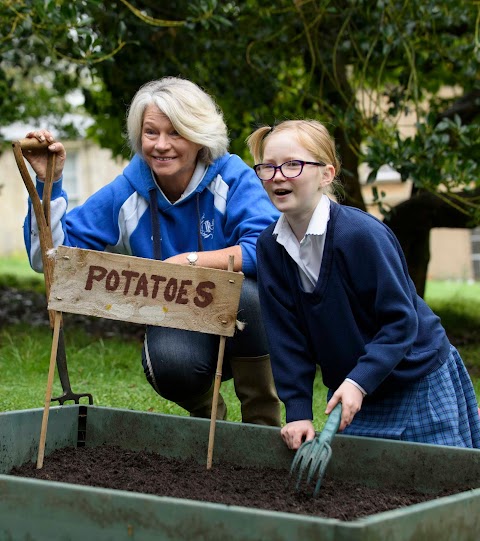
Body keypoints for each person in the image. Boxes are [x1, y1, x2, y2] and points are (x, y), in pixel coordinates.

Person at [23, 76, 282, 426]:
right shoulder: (128, 192)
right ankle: (211, 420)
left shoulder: (232, 177)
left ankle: (263, 422)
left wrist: (185, 264)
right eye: (151, 132)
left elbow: (267, 251)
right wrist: (48, 182)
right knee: (170, 363)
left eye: (175, 132)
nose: (161, 145)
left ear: (199, 135)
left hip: (246, 325)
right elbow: (50, 261)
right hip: (178, 319)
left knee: (248, 295)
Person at [246, 119, 480, 449]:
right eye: (267, 167)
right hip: (352, 387)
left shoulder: (360, 236)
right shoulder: (269, 248)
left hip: (415, 378)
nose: (278, 176)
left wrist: (359, 381)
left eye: (293, 165)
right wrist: (298, 412)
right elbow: (288, 340)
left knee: (439, 484)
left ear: (326, 174)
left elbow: (401, 322)